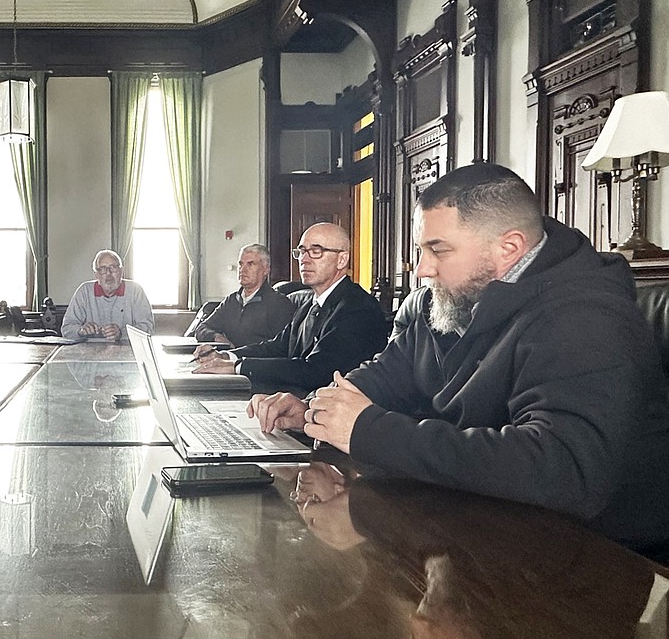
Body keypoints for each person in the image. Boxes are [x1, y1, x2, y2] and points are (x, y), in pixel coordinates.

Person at [249, 163, 669, 557]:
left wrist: (367, 429)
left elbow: (563, 470)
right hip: (477, 524)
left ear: (509, 248)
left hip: (587, 559)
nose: (421, 270)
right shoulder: (459, 298)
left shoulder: (586, 317)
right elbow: (385, 376)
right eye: (420, 249)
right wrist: (314, 410)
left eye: (438, 250)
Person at [192, 223, 387, 394]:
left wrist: (238, 366)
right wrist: (226, 356)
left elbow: (316, 372)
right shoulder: (309, 304)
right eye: (301, 251)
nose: (304, 259)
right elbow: (277, 347)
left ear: (342, 260)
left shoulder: (357, 308)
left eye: (316, 251)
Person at [192, 243, 297, 346]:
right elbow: (202, 328)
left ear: (266, 269)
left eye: (250, 264)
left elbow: (280, 348)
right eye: (241, 264)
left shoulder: (279, 304)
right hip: (227, 360)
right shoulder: (232, 300)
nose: (242, 270)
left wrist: (235, 356)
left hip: (256, 361)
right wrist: (216, 338)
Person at [60, 249, 153, 342]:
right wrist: (80, 331)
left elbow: (147, 327)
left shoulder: (135, 290)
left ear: (121, 271)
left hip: (127, 351)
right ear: (96, 275)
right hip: (90, 352)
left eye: (113, 267)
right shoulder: (85, 291)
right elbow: (66, 329)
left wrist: (121, 333)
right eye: (102, 269)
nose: (108, 273)